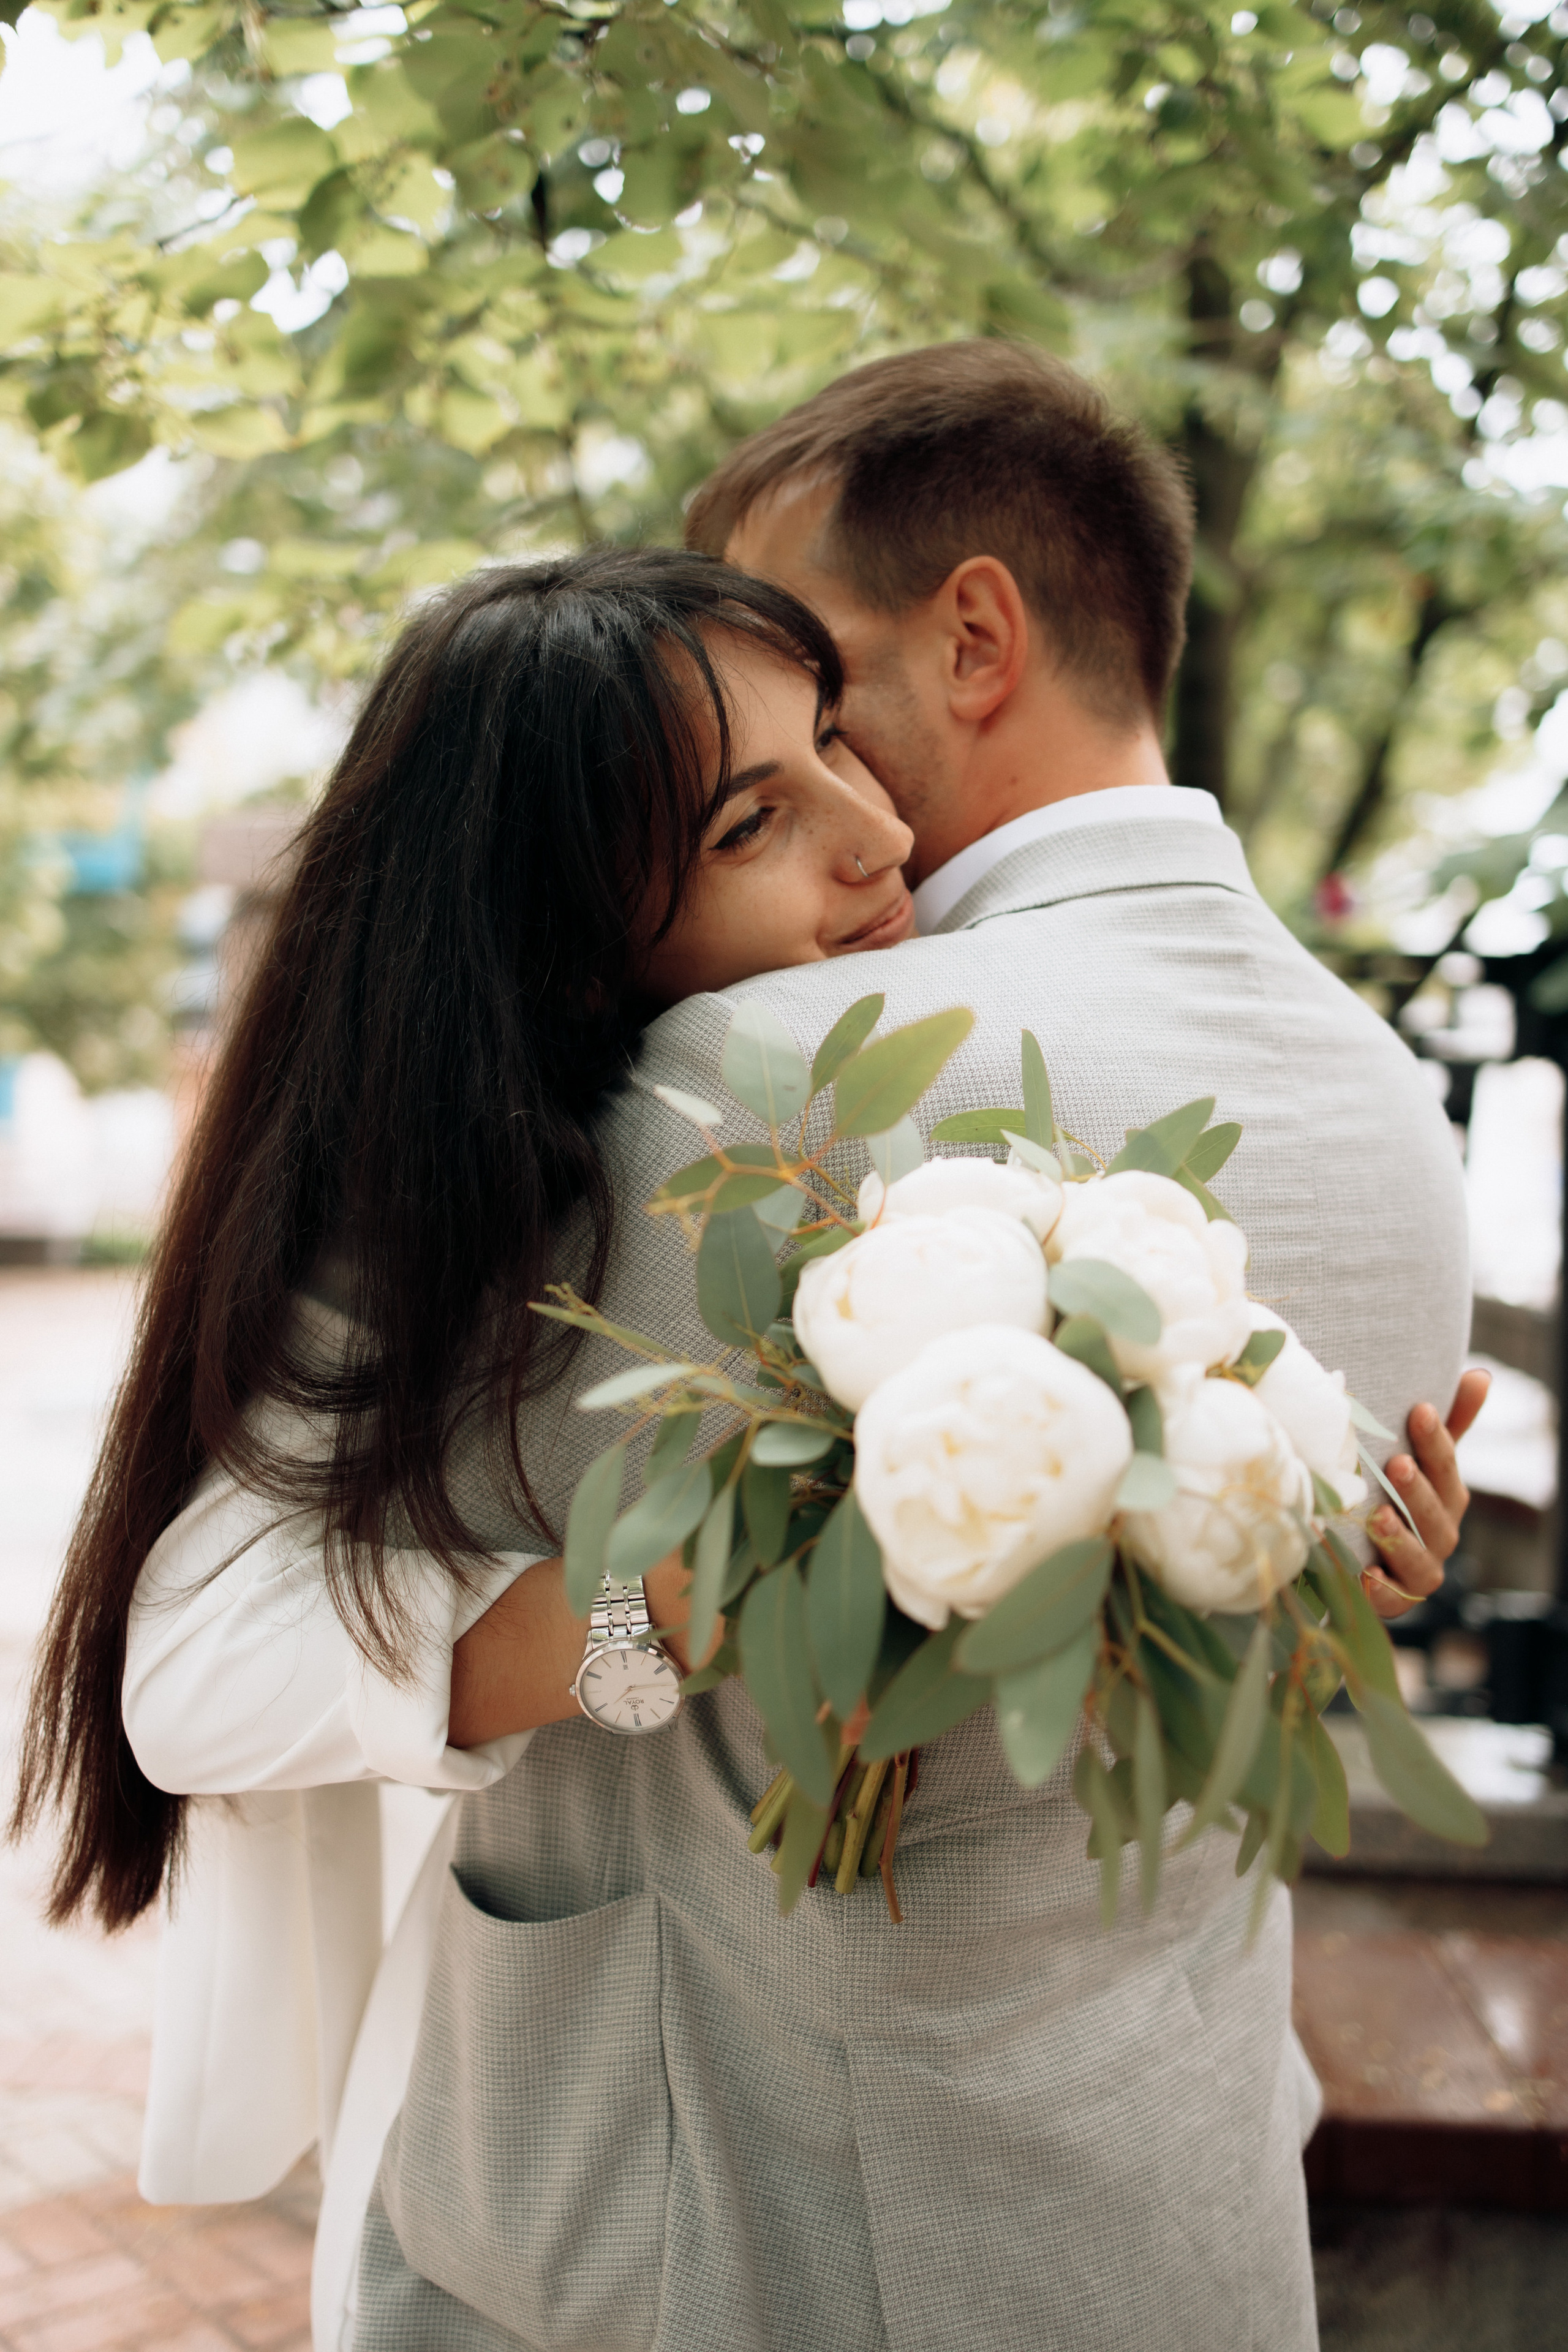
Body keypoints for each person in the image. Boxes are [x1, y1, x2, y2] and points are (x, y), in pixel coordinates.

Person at [13, 357, 1477, 2352]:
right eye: (757, 814)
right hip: (1183, 2214)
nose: (873, 826)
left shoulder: (715, 1101)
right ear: (581, 919)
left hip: (715, 2256)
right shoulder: (1398, 1110)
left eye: (838, 715)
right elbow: (210, 1656)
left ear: (976, 632)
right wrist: (640, 1620)